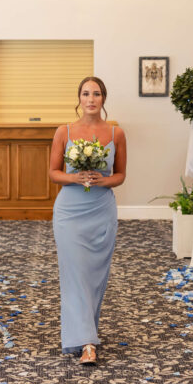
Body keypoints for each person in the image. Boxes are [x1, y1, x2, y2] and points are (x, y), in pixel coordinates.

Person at [48, 76, 127, 366]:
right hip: (69, 211)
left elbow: (120, 175)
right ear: (79, 98)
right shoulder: (64, 131)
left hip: (101, 210)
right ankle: (87, 343)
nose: (91, 99)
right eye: (85, 93)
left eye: (96, 94)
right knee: (75, 275)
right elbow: (53, 172)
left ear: (103, 98)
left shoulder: (116, 133)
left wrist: (102, 181)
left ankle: (85, 332)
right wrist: (75, 177)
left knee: (95, 277)